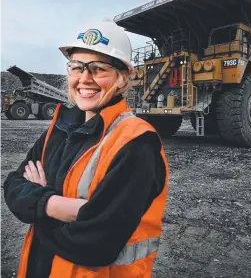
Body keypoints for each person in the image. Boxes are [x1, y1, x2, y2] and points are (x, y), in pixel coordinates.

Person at [4, 20, 169, 278]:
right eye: (76, 67)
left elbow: (96, 244)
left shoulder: (137, 144)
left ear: (123, 77)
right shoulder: (59, 129)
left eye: (98, 69)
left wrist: (36, 205)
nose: (84, 78)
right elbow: (12, 185)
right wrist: (57, 206)